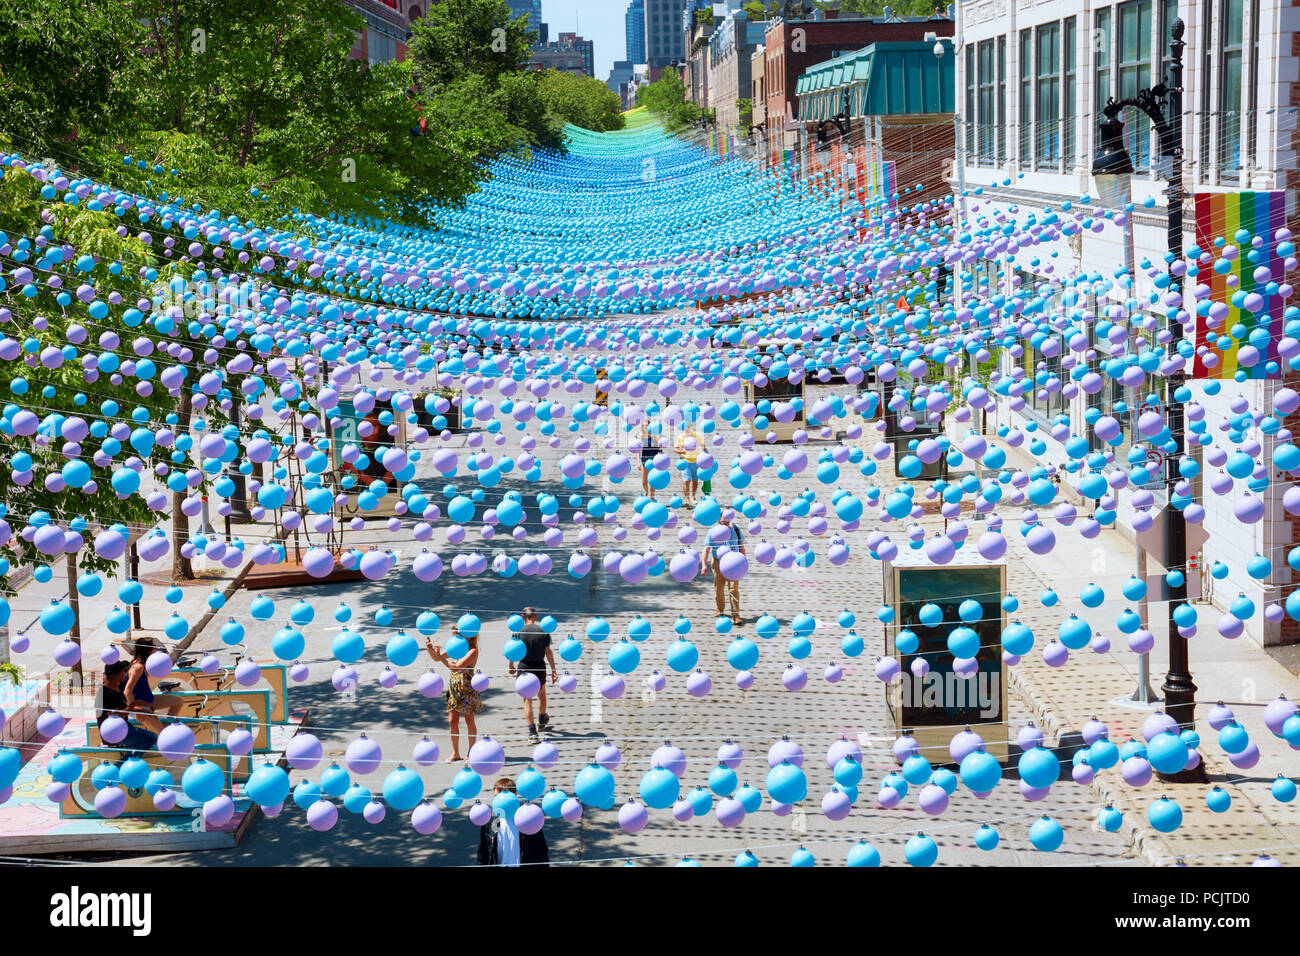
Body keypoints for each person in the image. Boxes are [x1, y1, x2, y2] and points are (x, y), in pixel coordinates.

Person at [426, 626, 482, 762]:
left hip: (467, 688)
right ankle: (455, 753)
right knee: (452, 721)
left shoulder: (473, 651)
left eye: (459, 634)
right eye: (455, 634)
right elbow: (436, 659)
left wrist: (440, 657)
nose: (457, 637)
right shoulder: (456, 647)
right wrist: (430, 648)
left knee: (469, 720)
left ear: (469, 634)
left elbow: (456, 668)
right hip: (454, 689)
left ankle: (470, 751)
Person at [509, 606, 557, 743]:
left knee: (527, 700)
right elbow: (548, 652)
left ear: (523, 617)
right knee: (542, 694)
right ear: (536, 617)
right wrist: (554, 671)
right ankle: (542, 719)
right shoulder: (544, 631)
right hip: (539, 667)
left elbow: (512, 650)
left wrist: (511, 665)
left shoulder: (517, 632)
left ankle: (532, 733)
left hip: (524, 668)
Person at [477, 777, 549, 866]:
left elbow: (541, 852)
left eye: (504, 797)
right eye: (496, 796)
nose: (500, 801)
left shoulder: (528, 819)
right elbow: (483, 853)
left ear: (515, 794)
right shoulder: (490, 822)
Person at [96, 661, 157, 757]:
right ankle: (123, 764)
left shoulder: (116, 688)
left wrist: (145, 710)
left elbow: (125, 708)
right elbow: (115, 716)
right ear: (118, 674)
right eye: (124, 671)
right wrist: (131, 706)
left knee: (149, 736)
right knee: (151, 738)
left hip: (122, 729)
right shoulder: (103, 693)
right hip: (113, 734)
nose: (125, 673)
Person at [122, 637, 182, 734]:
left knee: (178, 701)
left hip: (149, 700)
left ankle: (165, 728)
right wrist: (137, 711)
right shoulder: (138, 667)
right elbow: (127, 691)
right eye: (154, 647)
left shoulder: (142, 664)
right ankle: (163, 732)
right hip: (142, 707)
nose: (156, 649)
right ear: (148, 649)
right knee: (164, 736)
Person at [701, 509, 746, 625]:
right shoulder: (713, 531)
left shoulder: (735, 529)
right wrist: (704, 565)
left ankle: (736, 615)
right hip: (718, 562)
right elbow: (706, 549)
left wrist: (743, 562)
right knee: (719, 587)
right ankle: (720, 609)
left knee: (733, 589)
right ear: (718, 520)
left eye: (726, 522)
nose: (725, 523)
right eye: (722, 521)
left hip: (734, 563)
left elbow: (741, 546)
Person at [675, 420, 703, 505]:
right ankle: (687, 499)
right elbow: (676, 449)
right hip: (685, 461)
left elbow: (703, 445)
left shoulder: (697, 436)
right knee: (686, 480)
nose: (687, 429)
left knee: (695, 480)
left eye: (689, 427)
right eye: (686, 428)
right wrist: (681, 452)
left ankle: (693, 497)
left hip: (696, 461)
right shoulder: (681, 437)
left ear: (691, 427)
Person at [638, 419, 660, 499]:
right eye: (643, 426)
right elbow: (638, 451)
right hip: (644, 459)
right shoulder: (640, 436)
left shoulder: (655, 435)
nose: (645, 427)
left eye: (646, 425)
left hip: (654, 459)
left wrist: (653, 437)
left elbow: (659, 448)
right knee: (644, 482)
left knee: (653, 479)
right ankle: (647, 492)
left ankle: (652, 496)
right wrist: (638, 462)